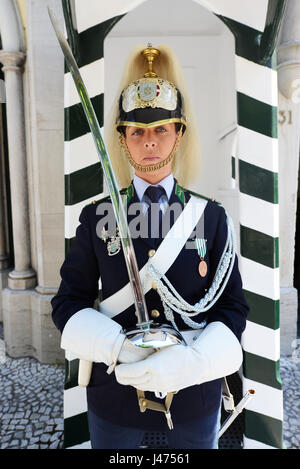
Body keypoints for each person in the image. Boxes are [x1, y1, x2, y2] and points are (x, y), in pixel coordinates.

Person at [51, 44, 249, 450]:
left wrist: (193, 364)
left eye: (161, 129)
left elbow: (233, 309)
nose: (150, 142)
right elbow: (68, 303)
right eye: (137, 131)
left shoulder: (209, 218)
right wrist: (117, 347)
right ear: (123, 140)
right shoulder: (96, 217)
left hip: (194, 398)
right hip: (115, 399)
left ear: (178, 135)